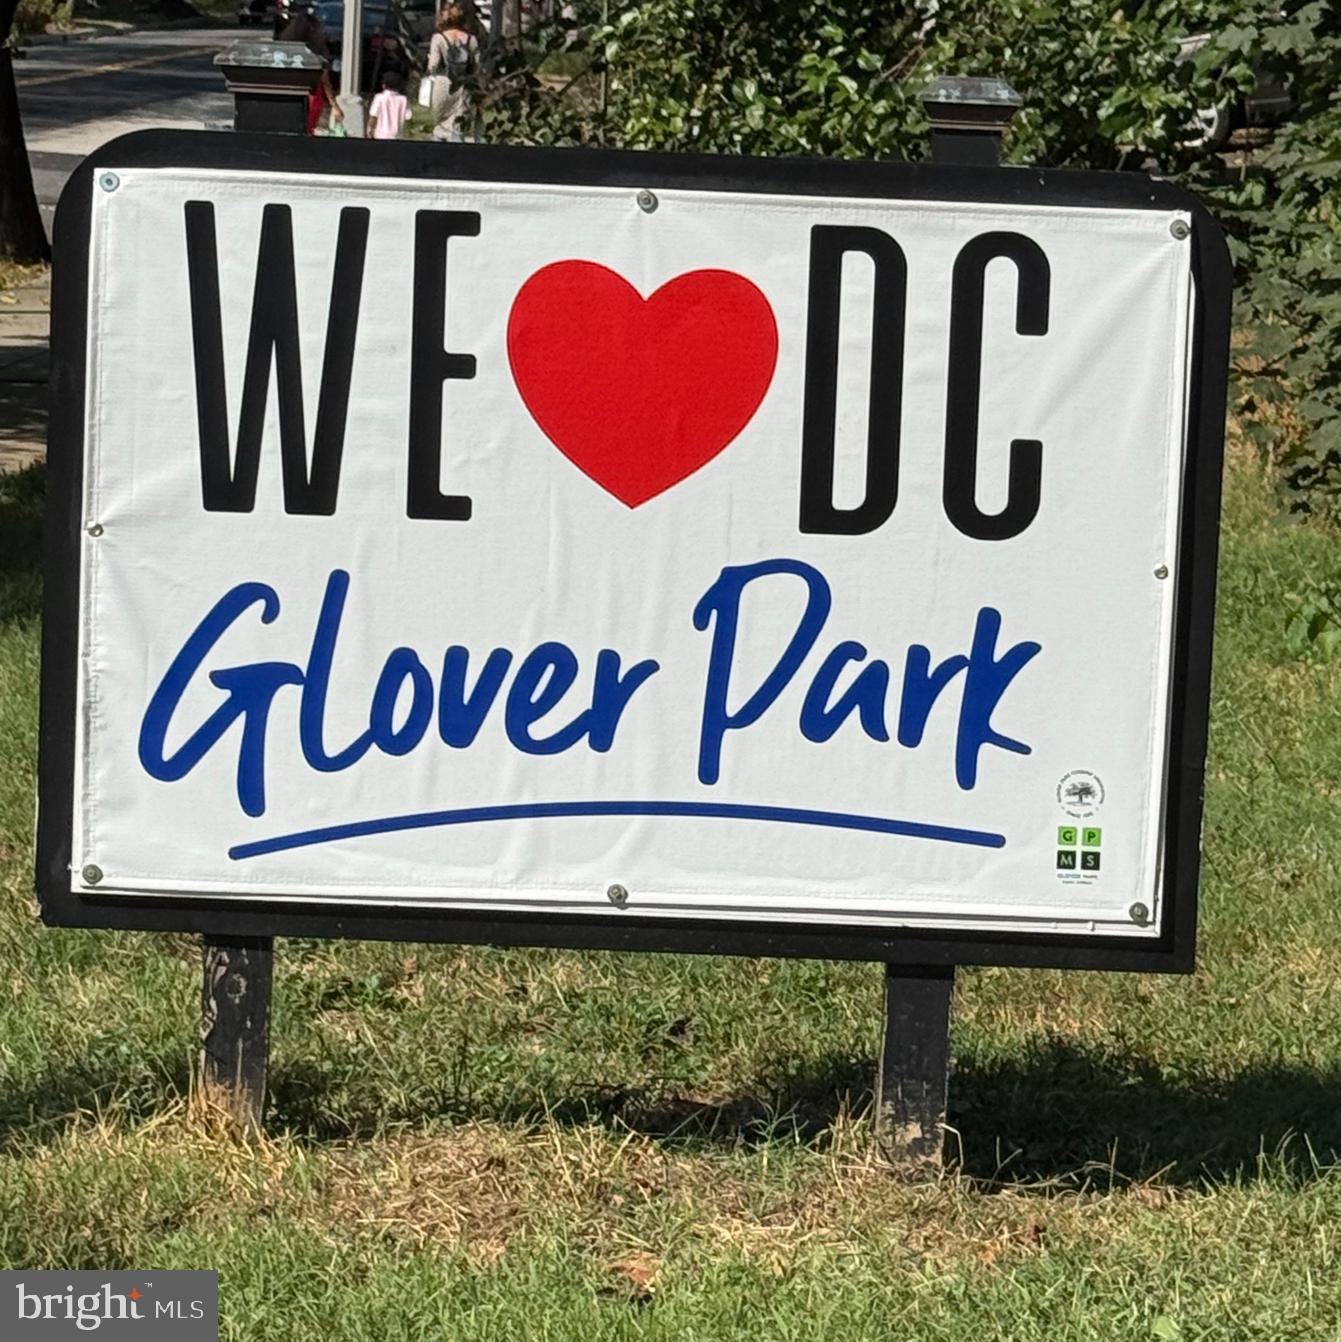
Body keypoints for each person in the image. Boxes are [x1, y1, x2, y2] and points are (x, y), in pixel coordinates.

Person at [278, 3, 344, 136]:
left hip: (287, 94)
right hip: (312, 95)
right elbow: (325, 80)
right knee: (307, 129)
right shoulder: (317, 52)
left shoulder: (285, 49)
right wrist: (334, 104)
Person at [426, 5, 478, 143]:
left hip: (442, 84)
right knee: (458, 125)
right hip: (463, 85)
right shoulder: (471, 39)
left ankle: (437, 157)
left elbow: (433, 66)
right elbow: (477, 65)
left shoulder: (438, 38)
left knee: (440, 125)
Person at [367, 69, 410, 140]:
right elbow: (408, 117)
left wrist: (370, 128)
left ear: (384, 85)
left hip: (381, 135)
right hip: (397, 135)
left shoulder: (379, 98)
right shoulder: (403, 99)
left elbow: (373, 116)